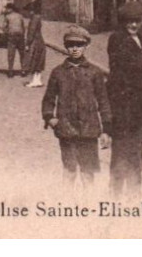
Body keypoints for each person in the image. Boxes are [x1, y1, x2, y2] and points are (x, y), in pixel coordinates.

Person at [42, 25, 112, 186]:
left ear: (86, 46)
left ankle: (87, 206)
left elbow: (103, 101)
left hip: (89, 130)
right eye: (71, 45)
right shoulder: (58, 72)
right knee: (69, 170)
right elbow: (49, 99)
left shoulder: (95, 72)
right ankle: (68, 204)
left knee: (88, 172)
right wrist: (50, 117)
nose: (75, 49)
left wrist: (107, 129)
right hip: (66, 130)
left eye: (79, 45)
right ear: (66, 47)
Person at [107, 0, 142, 195]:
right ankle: (116, 193)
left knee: (137, 151)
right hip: (123, 105)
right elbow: (130, 65)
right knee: (121, 150)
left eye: (137, 21)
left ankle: (134, 192)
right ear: (123, 22)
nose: (134, 25)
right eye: (130, 21)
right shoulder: (116, 39)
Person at [23, 0, 46, 87]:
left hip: (35, 42)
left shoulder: (34, 19)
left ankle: (34, 81)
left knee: (33, 60)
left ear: (31, 11)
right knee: (39, 61)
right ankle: (38, 80)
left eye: (28, 11)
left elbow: (31, 32)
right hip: (40, 41)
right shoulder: (38, 17)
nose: (27, 13)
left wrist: (28, 43)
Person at [4, 2, 25, 79]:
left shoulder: (7, 17)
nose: (5, 10)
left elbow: (4, 28)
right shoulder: (20, 16)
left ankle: (10, 71)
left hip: (12, 36)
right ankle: (23, 70)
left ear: (10, 9)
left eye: (7, 8)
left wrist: (6, 34)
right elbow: (23, 27)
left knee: (11, 54)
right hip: (20, 35)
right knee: (22, 53)